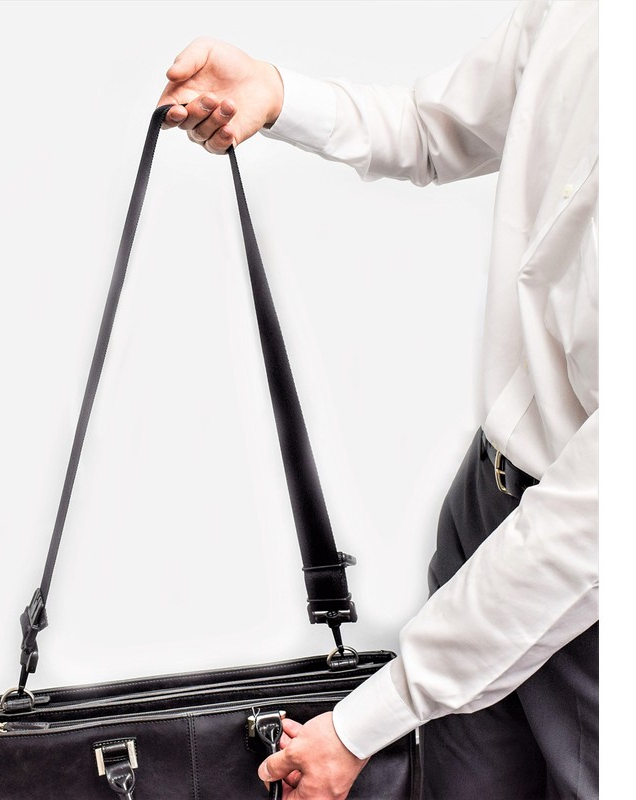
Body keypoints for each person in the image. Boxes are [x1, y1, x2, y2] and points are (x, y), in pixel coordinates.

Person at [156, 1, 599, 798]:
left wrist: (364, 724)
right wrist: (276, 93)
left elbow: (592, 524)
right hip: (488, 504)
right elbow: (440, 127)